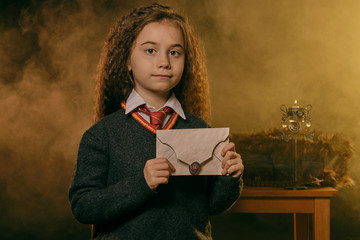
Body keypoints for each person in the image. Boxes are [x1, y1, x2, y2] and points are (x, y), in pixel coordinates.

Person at [69, 3, 244, 240]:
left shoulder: (199, 129)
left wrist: (229, 176)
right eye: (150, 50)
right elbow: (84, 206)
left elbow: (213, 206)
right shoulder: (101, 134)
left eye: (175, 52)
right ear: (127, 60)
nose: (164, 62)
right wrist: (142, 183)